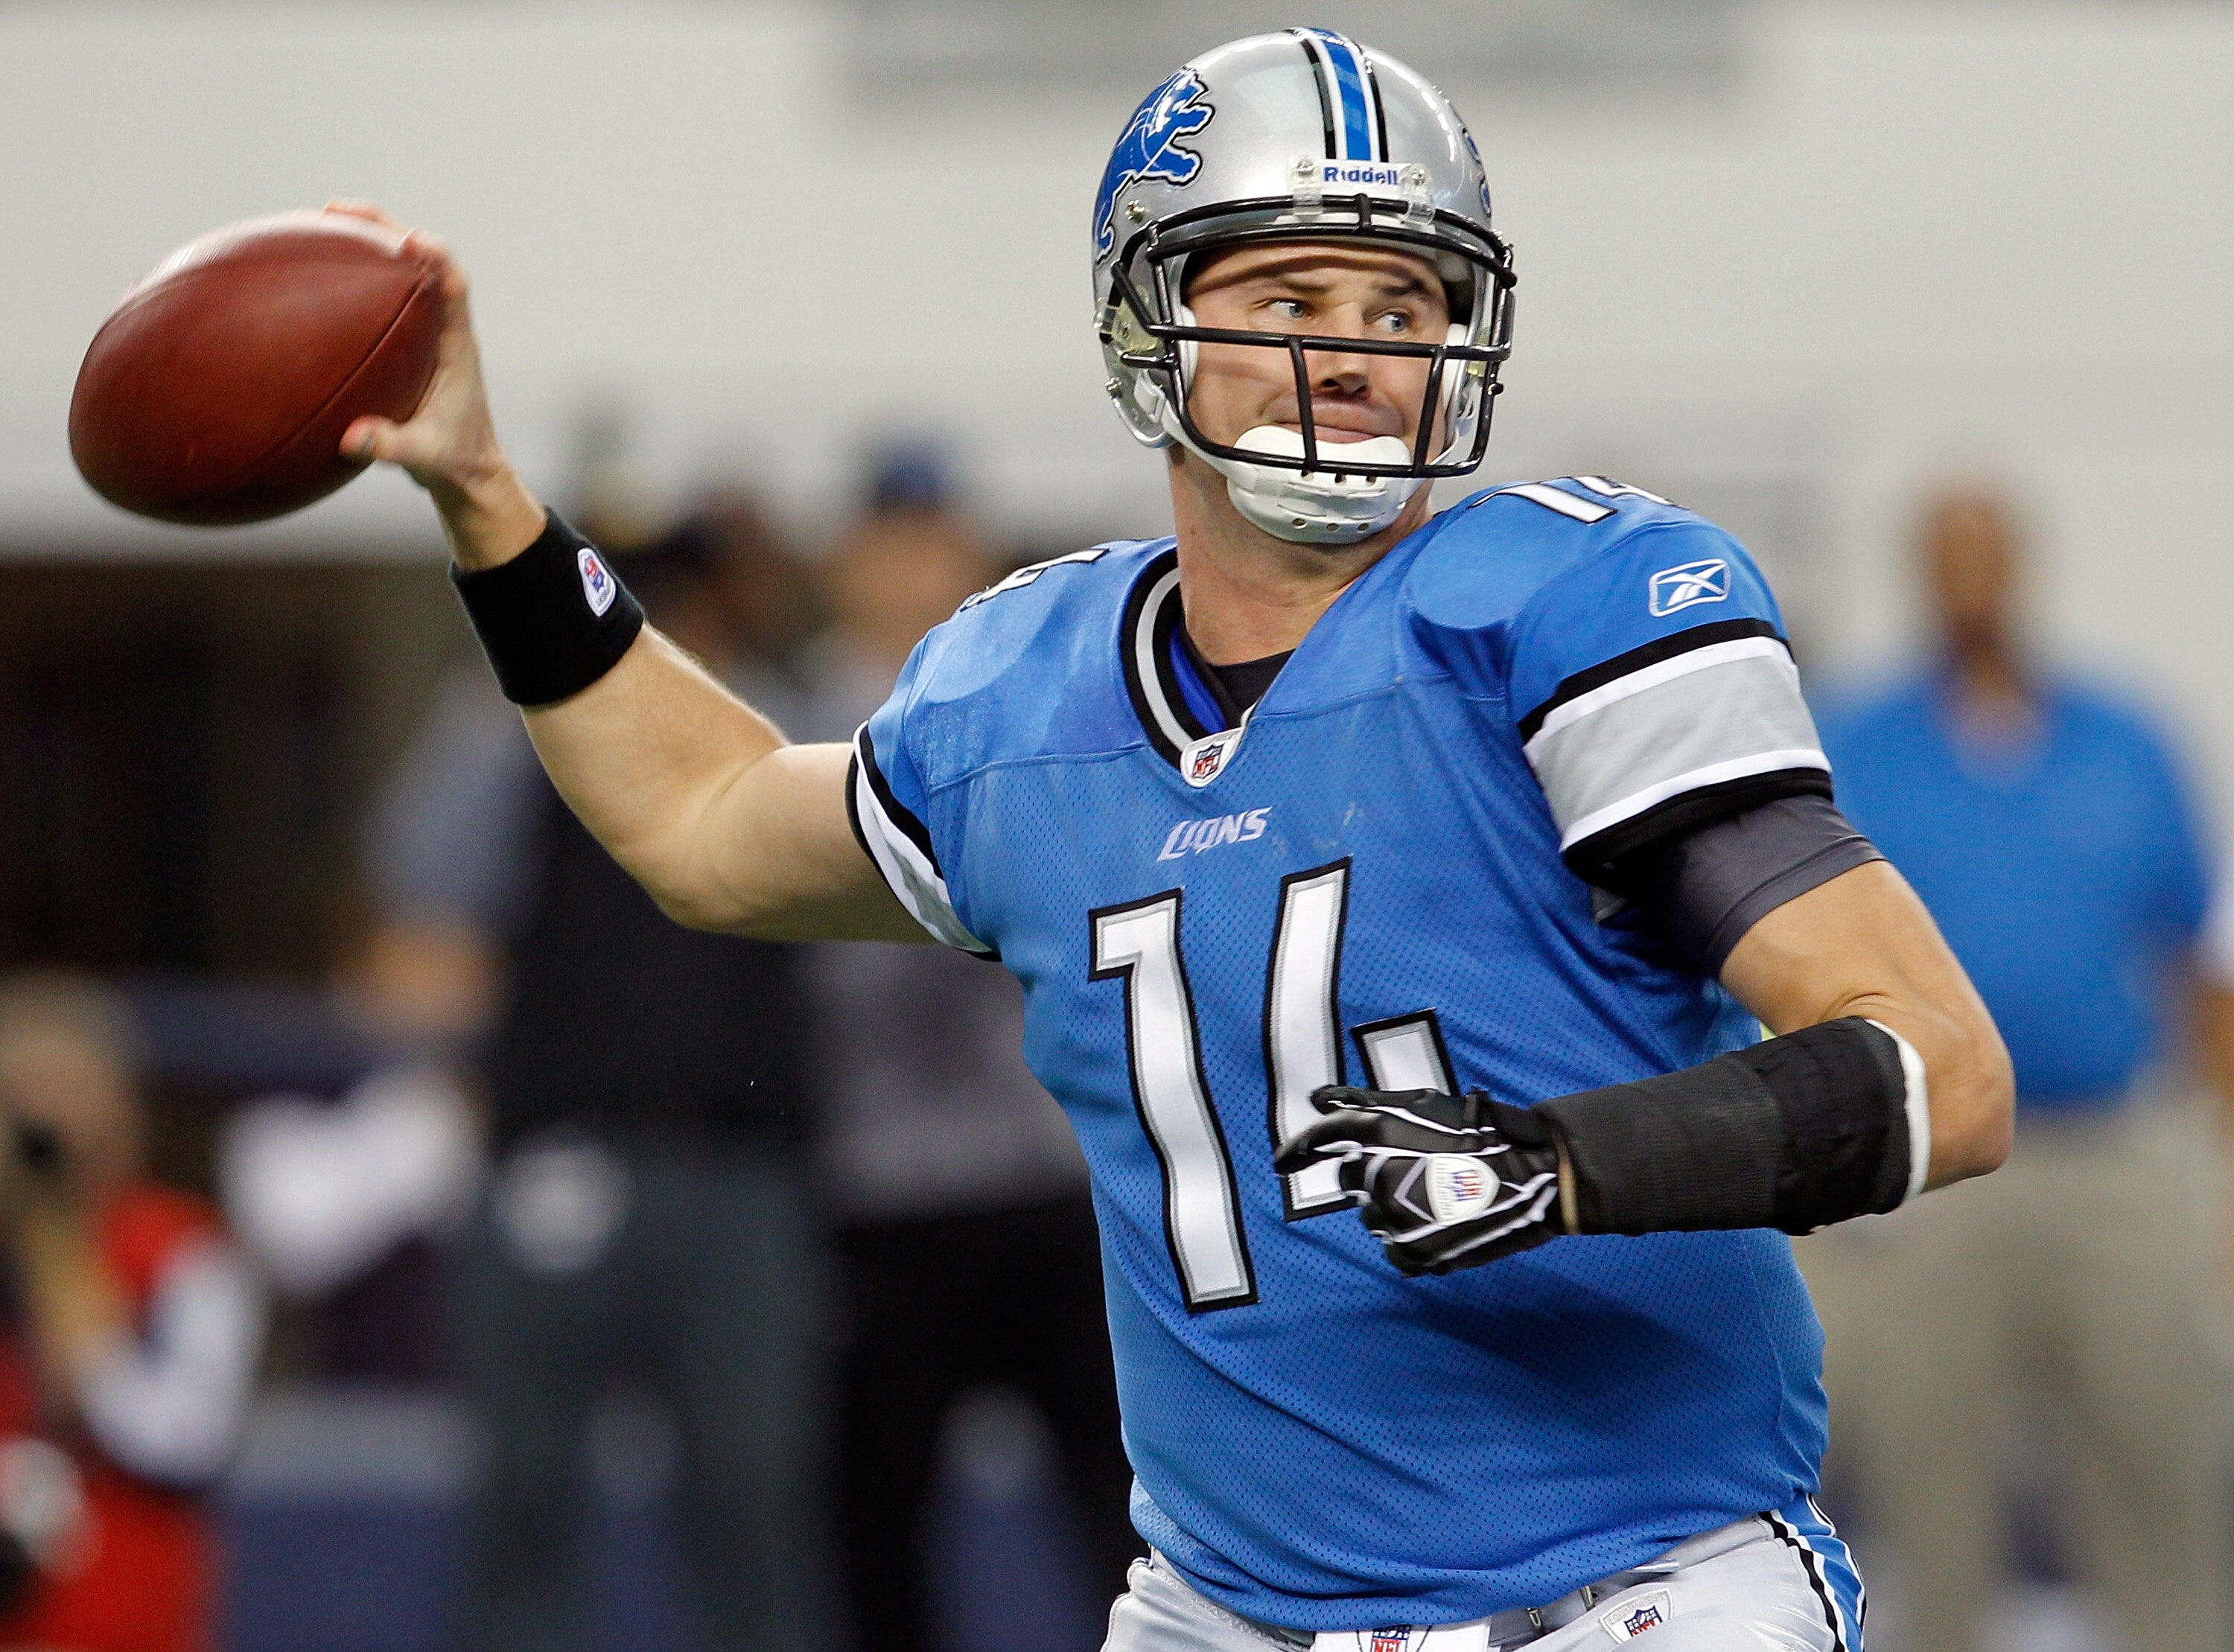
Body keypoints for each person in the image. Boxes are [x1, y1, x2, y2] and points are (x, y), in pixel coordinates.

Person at [334, 28, 2014, 1650]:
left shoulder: (1560, 612)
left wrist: (1565, 1159)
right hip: (1228, 1606)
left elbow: (1940, 1063)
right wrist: (488, 501)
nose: (1356, 353)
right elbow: (702, 820)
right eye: (1291, 299)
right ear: (1151, 325)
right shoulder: (1023, 698)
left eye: (1405, 304)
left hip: (1634, 1579)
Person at [361, 503, 833, 1652]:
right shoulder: (515, 736)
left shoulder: (784, 726)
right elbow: (415, 896)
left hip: (737, 1172)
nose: (660, 626)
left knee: (752, 1496)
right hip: (557, 1157)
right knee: (523, 1491)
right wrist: (536, 668)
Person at [1798, 485, 2229, 1652]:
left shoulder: (2126, 740)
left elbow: (2196, 959)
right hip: (1926, 1172)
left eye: (1987, 554)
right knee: (1926, 1475)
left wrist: (2222, 1169)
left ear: (2022, 565)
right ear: (1921, 572)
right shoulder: (1856, 744)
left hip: (2110, 1159)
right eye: (1947, 556)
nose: (1969, 579)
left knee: (2158, 1457)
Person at [800, 450, 1136, 1648]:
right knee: (877, 1514)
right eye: (891, 544)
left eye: (934, 542)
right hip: (876, 1178)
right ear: (846, 561)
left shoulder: (1049, 701)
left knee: (1128, 1502)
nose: (912, 570)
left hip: (1046, 1168)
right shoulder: (792, 713)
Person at [0, 973, 262, 1652]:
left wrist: (87, 1334)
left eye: (67, 1090)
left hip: (125, 1618)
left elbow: (190, 1436)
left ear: (120, 1106)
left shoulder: (182, 1251)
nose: (45, 1118)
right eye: (22, 1093)